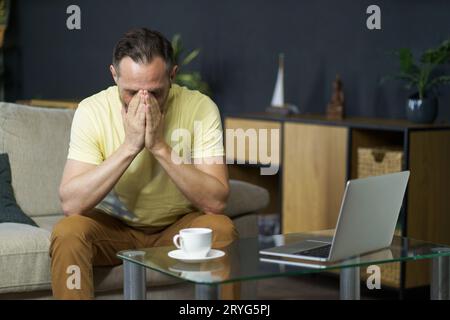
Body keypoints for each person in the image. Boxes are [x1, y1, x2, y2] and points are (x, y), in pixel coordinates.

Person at [50, 27, 237, 299]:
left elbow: (216, 201)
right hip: (114, 227)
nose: (143, 101)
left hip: (177, 226)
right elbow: (71, 203)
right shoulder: (92, 110)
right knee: (68, 232)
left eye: (155, 92)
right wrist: (130, 146)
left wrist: (159, 146)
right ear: (114, 76)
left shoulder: (200, 107)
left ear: (172, 76)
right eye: (131, 92)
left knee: (222, 228)